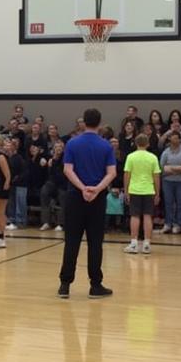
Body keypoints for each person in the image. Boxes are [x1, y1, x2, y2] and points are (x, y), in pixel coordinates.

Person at [57, 108, 116, 299]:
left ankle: (65, 285)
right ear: (99, 123)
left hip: (75, 196)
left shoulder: (73, 143)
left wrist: (82, 188)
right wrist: (96, 189)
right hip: (96, 199)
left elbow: (67, 170)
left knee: (72, 241)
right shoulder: (106, 146)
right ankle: (95, 285)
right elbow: (112, 173)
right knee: (95, 243)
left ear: (84, 122)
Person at [123, 134, 160, 254]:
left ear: (135, 143)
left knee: (134, 216)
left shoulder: (131, 157)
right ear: (148, 144)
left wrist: (126, 190)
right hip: (149, 190)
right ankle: (147, 244)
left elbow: (127, 175)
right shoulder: (153, 157)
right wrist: (157, 193)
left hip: (134, 190)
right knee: (147, 216)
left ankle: (134, 243)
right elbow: (156, 177)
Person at [159, 130, 181, 234]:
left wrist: (171, 168)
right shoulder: (166, 152)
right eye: (171, 137)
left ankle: (178, 224)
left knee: (180, 203)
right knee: (168, 203)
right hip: (167, 181)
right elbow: (162, 167)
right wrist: (179, 168)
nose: (173, 139)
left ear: (180, 139)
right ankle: (168, 224)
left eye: (175, 137)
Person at [39, 140, 67, 231]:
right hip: (52, 183)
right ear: (53, 149)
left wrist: (53, 162)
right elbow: (50, 174)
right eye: (56, 147)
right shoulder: (51, 159)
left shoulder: (66, 159)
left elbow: (61, 174)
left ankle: (61, 223)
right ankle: (46, 222)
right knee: (44, 192)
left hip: (63, 183)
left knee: (63, 197)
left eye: (60, 147)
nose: (58, 149)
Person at [5, 138, 29, 230]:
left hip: (21, 184)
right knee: (12, 202)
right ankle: (12, 220)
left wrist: (17, 178)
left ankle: (21, 221)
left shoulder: (19, 158)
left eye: (9, 145)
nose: (7, 147)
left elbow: (24, 172)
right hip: (12, 184)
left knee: (20, 202)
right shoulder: (8, 158)